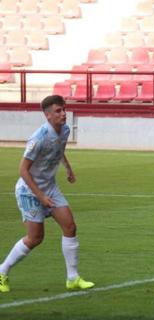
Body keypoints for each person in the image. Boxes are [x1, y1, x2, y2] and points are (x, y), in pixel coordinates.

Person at [0, 95, 94, 293]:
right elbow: (23, 170)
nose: (63, 114)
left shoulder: (65, 130)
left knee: (70, 226)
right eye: (58, 111)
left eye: (64, 109)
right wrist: (40, 197)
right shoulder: (39, 138)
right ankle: (2, 271)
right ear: (48, 115)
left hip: (50, 187)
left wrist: (68, 168)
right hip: (29, 191)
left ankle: (73, 278)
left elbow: (59, 150)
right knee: (35, 238)